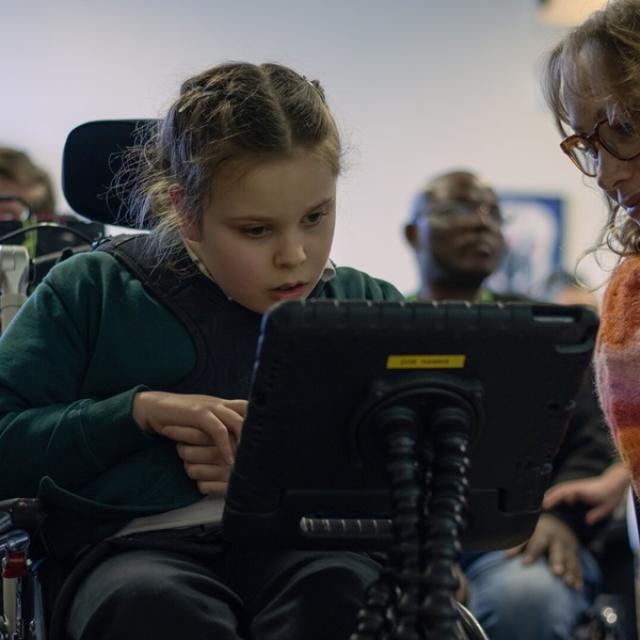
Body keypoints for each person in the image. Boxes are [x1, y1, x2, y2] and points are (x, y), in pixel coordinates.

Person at [0, 62, 404, 640]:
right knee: (155, 606)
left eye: (316, 217)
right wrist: (132, 414)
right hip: (135, 557)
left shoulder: (366, 307)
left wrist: (285, 471)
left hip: (315, 551)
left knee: (346, 596)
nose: (294, 255)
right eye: (256, 230)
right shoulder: (92, 292)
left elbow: (440, 468)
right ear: (186, 212)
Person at [404, 169, 612, 640]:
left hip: (520, 541)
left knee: (527, 602)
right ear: (414, 233)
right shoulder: (372, 327)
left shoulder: (542, 331)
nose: (481, 223)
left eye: (492, 214)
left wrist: (560, 518)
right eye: (458, 209)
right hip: (394, 544)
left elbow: (592, 438)